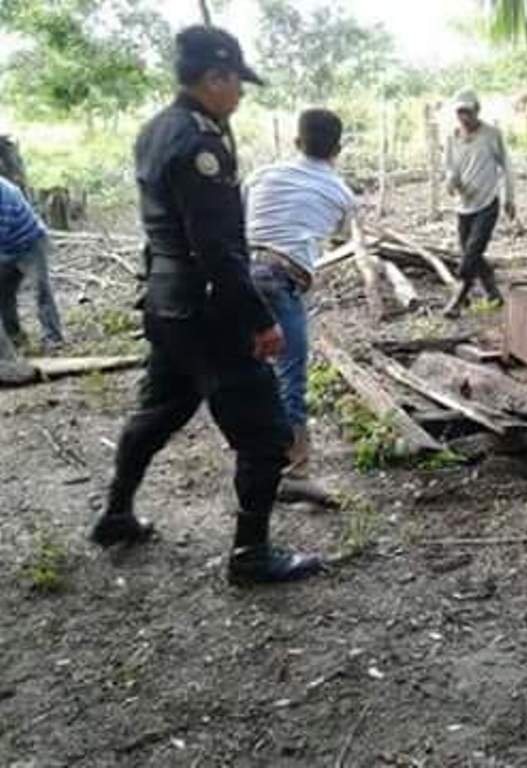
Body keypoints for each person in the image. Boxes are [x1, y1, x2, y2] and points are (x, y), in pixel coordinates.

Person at [89, 25, 322, 585]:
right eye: (236, 82)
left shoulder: (156, 130)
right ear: (214, 78)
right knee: (265, 435)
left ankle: (116, 513)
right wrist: (260, 319)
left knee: (160, 411)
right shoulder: (201, 144)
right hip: (209, 310)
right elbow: (217, 249)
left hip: (167, 304)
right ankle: (250, 555)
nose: (240, 94)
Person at [244, 108, 357, 480]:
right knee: (290, 376)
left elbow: (241, 220)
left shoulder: (259, 176)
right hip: (280, 281)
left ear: (296, 141)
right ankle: (295, 469)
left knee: (246, 369)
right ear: (338, 149)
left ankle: (252, 456)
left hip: (237, 279)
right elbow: (339, 234)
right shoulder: (341, 194)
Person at [442, 89, 515, 318]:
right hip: (464, 204)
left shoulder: (491, 135)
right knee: (471, 251)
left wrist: (510, 198)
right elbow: (450, 168)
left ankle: (458, 299)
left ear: (477, 111)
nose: (464, 117)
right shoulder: (452, 138)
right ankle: (493, 293)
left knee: (470, 255)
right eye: (460, 113)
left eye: (468, 112)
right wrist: (451, 182)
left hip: (487, 202)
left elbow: (507, 166)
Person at [0, 175, 64, 351]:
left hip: (31, 244)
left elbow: (2, 230)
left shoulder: (5, 194)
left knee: (41, 290)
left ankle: (53, 338)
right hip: (5, 248)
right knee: (3, 295)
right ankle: (15, 338)